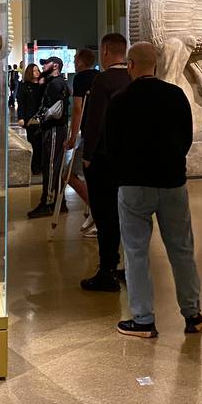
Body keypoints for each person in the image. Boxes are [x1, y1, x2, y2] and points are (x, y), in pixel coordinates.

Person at [105, 42, 202, 337]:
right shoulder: (176, 95)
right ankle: (193, 314)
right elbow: (186, 137)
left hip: (133, 183)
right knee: (181, 249)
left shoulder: (120, 99)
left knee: (136, 252)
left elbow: (111, 145)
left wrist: (122, 171)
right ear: (156, 65)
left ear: (131, 65)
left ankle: (144, 319)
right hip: (172, 181)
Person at [78, 32, 130, 291]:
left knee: (105, 214)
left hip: (104, 158)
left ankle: (107, 269)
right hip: (129, 159)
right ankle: (130, 268)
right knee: (127, 215)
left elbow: (95, 121)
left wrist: (87, 155)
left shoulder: (103, 80)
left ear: (106, 50)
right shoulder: (133, 77)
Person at [27, 56, 70, 218]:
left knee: (51, 166)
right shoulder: (53, 83)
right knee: (53, 165)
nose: (44, 66)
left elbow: (56, 110)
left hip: (54, 129)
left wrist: (39, 119)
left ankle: (49, 203)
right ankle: (59, 201)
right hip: (53, 129)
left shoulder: (56, 84)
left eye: (47, 63)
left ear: (56, 66)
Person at [66, 48, 98, 233]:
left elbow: (78, 108)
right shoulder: (99, 76)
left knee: (68, 174)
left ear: (80, 61)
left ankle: (97, 209)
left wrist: (72, 138)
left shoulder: (80, 78)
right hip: (100, 134)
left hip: (88, 136)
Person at [16, 63, 44, 174]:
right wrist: (21, 117)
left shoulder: (42, 86)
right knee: (34, 143)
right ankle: (35, 167)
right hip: (30, 119)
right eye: (34, 71)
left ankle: (41, 166)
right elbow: (21, 103)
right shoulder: (24, 86)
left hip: (42, 119)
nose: (36, 72)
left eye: (37, 70)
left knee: (41, 143)